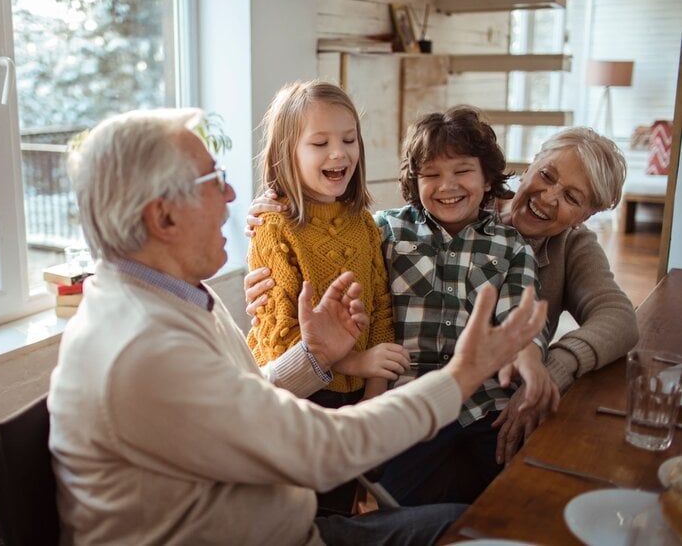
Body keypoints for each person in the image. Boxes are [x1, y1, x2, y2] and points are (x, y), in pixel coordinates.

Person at [48, 107, 548, 545]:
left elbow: (240, 405)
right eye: (213, 180)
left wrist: (313, 356)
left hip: (290, 529)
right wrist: (461, 376)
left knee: (467, 524)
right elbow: (327, 451)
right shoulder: (146, 347)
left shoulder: (165, 295)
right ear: (163, 217)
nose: (233, 195)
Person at [245, 125, 639, 502]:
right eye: (547, 175)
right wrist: (276, 228)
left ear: (589, 213)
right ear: (531, 163)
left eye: (572, 197)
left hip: (489, 405)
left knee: (531, 490)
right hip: (410, 395)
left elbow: (617, 317)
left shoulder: (564, 246)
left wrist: (551, 367)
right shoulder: (421, 215)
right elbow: (334, 263)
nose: (549, 197)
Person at [248, 81, 409, 513]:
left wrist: (374, 392)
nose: (339, 153)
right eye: (320, 143)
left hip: (355, 399)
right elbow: (282, 342)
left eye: (349, 139)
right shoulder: (273, 228)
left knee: (342, 509)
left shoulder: (365, 225)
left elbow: (379, 313)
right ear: (287, 155)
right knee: (304, 515)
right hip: (299, 403)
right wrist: (355, 362)